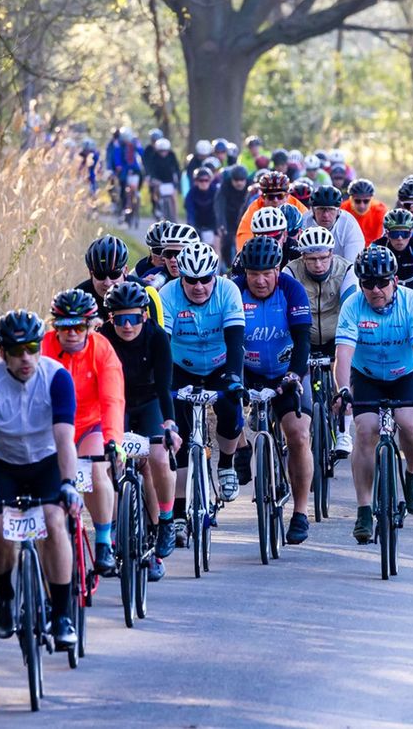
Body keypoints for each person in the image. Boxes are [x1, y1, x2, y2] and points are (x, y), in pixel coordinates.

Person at [0, 310, 83, 655]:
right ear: (3, 354)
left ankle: (61, 615)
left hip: (46, 462)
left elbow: (64, 438)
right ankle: (4, 598)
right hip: (4, 464)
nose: (25, 357)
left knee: (55, 522)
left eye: (31, 348)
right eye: (16, 350)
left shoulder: (56, 377)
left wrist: (69, 483)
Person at [332, 247, 413, 544]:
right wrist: (342, 389)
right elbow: (343, 354)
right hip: (365, 375)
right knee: (365, 431)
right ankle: (364, 510)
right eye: (368, 283)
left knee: (408, 421)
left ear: (395, 280)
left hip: (405, 372)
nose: (376, 289)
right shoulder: (353, 306)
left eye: (382, 282)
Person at [234, 236, 315, 543]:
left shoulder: (291, 289)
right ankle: (241, 447)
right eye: (254, 273)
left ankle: (300, 512)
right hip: (249, 371)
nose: (260, 279)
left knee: (298, 435)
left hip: (286, 373)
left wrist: (295, 374)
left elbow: (303, 338)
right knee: (227, 402)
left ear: (278, 269)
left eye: (267, 272)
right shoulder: (235, 290)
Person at [42, 289, 125, 577]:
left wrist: (113, 442)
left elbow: (113, 401)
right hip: (54, 423)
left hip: (91, 422)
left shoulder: (102, 350)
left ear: (91, 326)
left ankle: (103, 541)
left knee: (97, 471)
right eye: (64, 327)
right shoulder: (44, 348)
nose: (72, 334)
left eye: (79, 327)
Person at [159, 241, 248, 510]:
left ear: (215, 276)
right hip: (180, 366)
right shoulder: (168, 294)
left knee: (231, 409)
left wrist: (234, 378)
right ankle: (178, 512)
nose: (199, 286)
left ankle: (226, 463)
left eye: (205, 279)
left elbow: (236, 342)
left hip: (221, 364)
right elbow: (162, 345)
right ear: (181, 278)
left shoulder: (229, 291)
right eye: (192, 280)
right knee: (180, 431)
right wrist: (162, 386)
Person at [101, 281, 180, 580]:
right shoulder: (103, 339)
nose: (127, 325)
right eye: (120, 319)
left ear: (145, 316)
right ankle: (107, 538)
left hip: (149, 401)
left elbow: (164, 388)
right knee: (109, 464)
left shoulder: (157, 338)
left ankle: (167, 521)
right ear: (111, 319)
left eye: (133, 318)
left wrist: (170, 426)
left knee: (158, 460)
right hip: (116, 403)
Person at [285, 226, 357, 459]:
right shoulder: (291, 272)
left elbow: (350, 308)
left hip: (336, 333)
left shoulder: (346, 269)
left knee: (343, 374)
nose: (318, 264)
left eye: (324, 258)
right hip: (303, 335)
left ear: (332, 254)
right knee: (297, 383)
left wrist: (346, 345)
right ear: (302, 257)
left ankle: (344, 428)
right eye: (312, 259)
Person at [79, 235, 165, 326]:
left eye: (114, 275)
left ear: (125, 271)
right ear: (91, 274)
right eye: (100, 275)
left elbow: (159, 337)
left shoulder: (148, 293)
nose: (107, 283)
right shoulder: (79, 298)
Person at [235, 171, 308, 248]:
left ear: (287, 195)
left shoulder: (296, 205)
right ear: (263, 197)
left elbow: (310, 226)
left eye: (280, 196)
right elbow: (244, 237)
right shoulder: (254, 209)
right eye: (270, 197)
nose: (275, 200)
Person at [372, 208, 413, 292]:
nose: (400, 238)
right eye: (394, 234)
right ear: (387, 234)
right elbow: (370, 278)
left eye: (404, 234)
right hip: (387, 290)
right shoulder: (377, 247)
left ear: (410, 233)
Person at [309, 184, 366, 262]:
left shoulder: (349, 226)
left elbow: (353, 265)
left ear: (339, 210)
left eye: (331, 209)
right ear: (312, 210)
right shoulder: (304, 222)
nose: (326, 215)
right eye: (321, 209)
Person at [215, 164, 254, 266]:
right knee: (226, 242)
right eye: (236, 180)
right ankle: (228, 266)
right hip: (229, 218)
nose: (239, 183)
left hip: (245, 218)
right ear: (231, 179)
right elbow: (219, 206)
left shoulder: (251, 186)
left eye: (242, 180)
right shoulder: (225, 186)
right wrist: (221, 223)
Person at [342, 179, 387, 245]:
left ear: (371, 199)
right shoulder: (342, 210)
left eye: (366, 201)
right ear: (350, 199)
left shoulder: (380, 211)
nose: (362, 206)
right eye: (357, 201)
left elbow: (380, 240)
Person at [145, 136, 182, 215]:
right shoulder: (154, 157)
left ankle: (175, 216)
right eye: (161, 151)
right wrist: (153, 179)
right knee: (155, 191)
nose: (163, 153)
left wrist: (177, 179)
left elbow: (177, 168)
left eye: (165, 151)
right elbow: (151, 169)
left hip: (170, 180)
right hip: (159, 180)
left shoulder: (172, 155)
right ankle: (157, 207)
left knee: (173, 197)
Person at [186, 166, 220, 245]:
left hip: (213, 222)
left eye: (206, 180)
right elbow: (190, 211)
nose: (204, 183)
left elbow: (219, 209)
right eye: (201, 180)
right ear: (196, 181)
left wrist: (218, 226)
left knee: (217, 242)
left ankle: (219, 257)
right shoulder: (191, 194)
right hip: (198, 223)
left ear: (210, 180)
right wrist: (193, 226)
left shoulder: (216, 192)